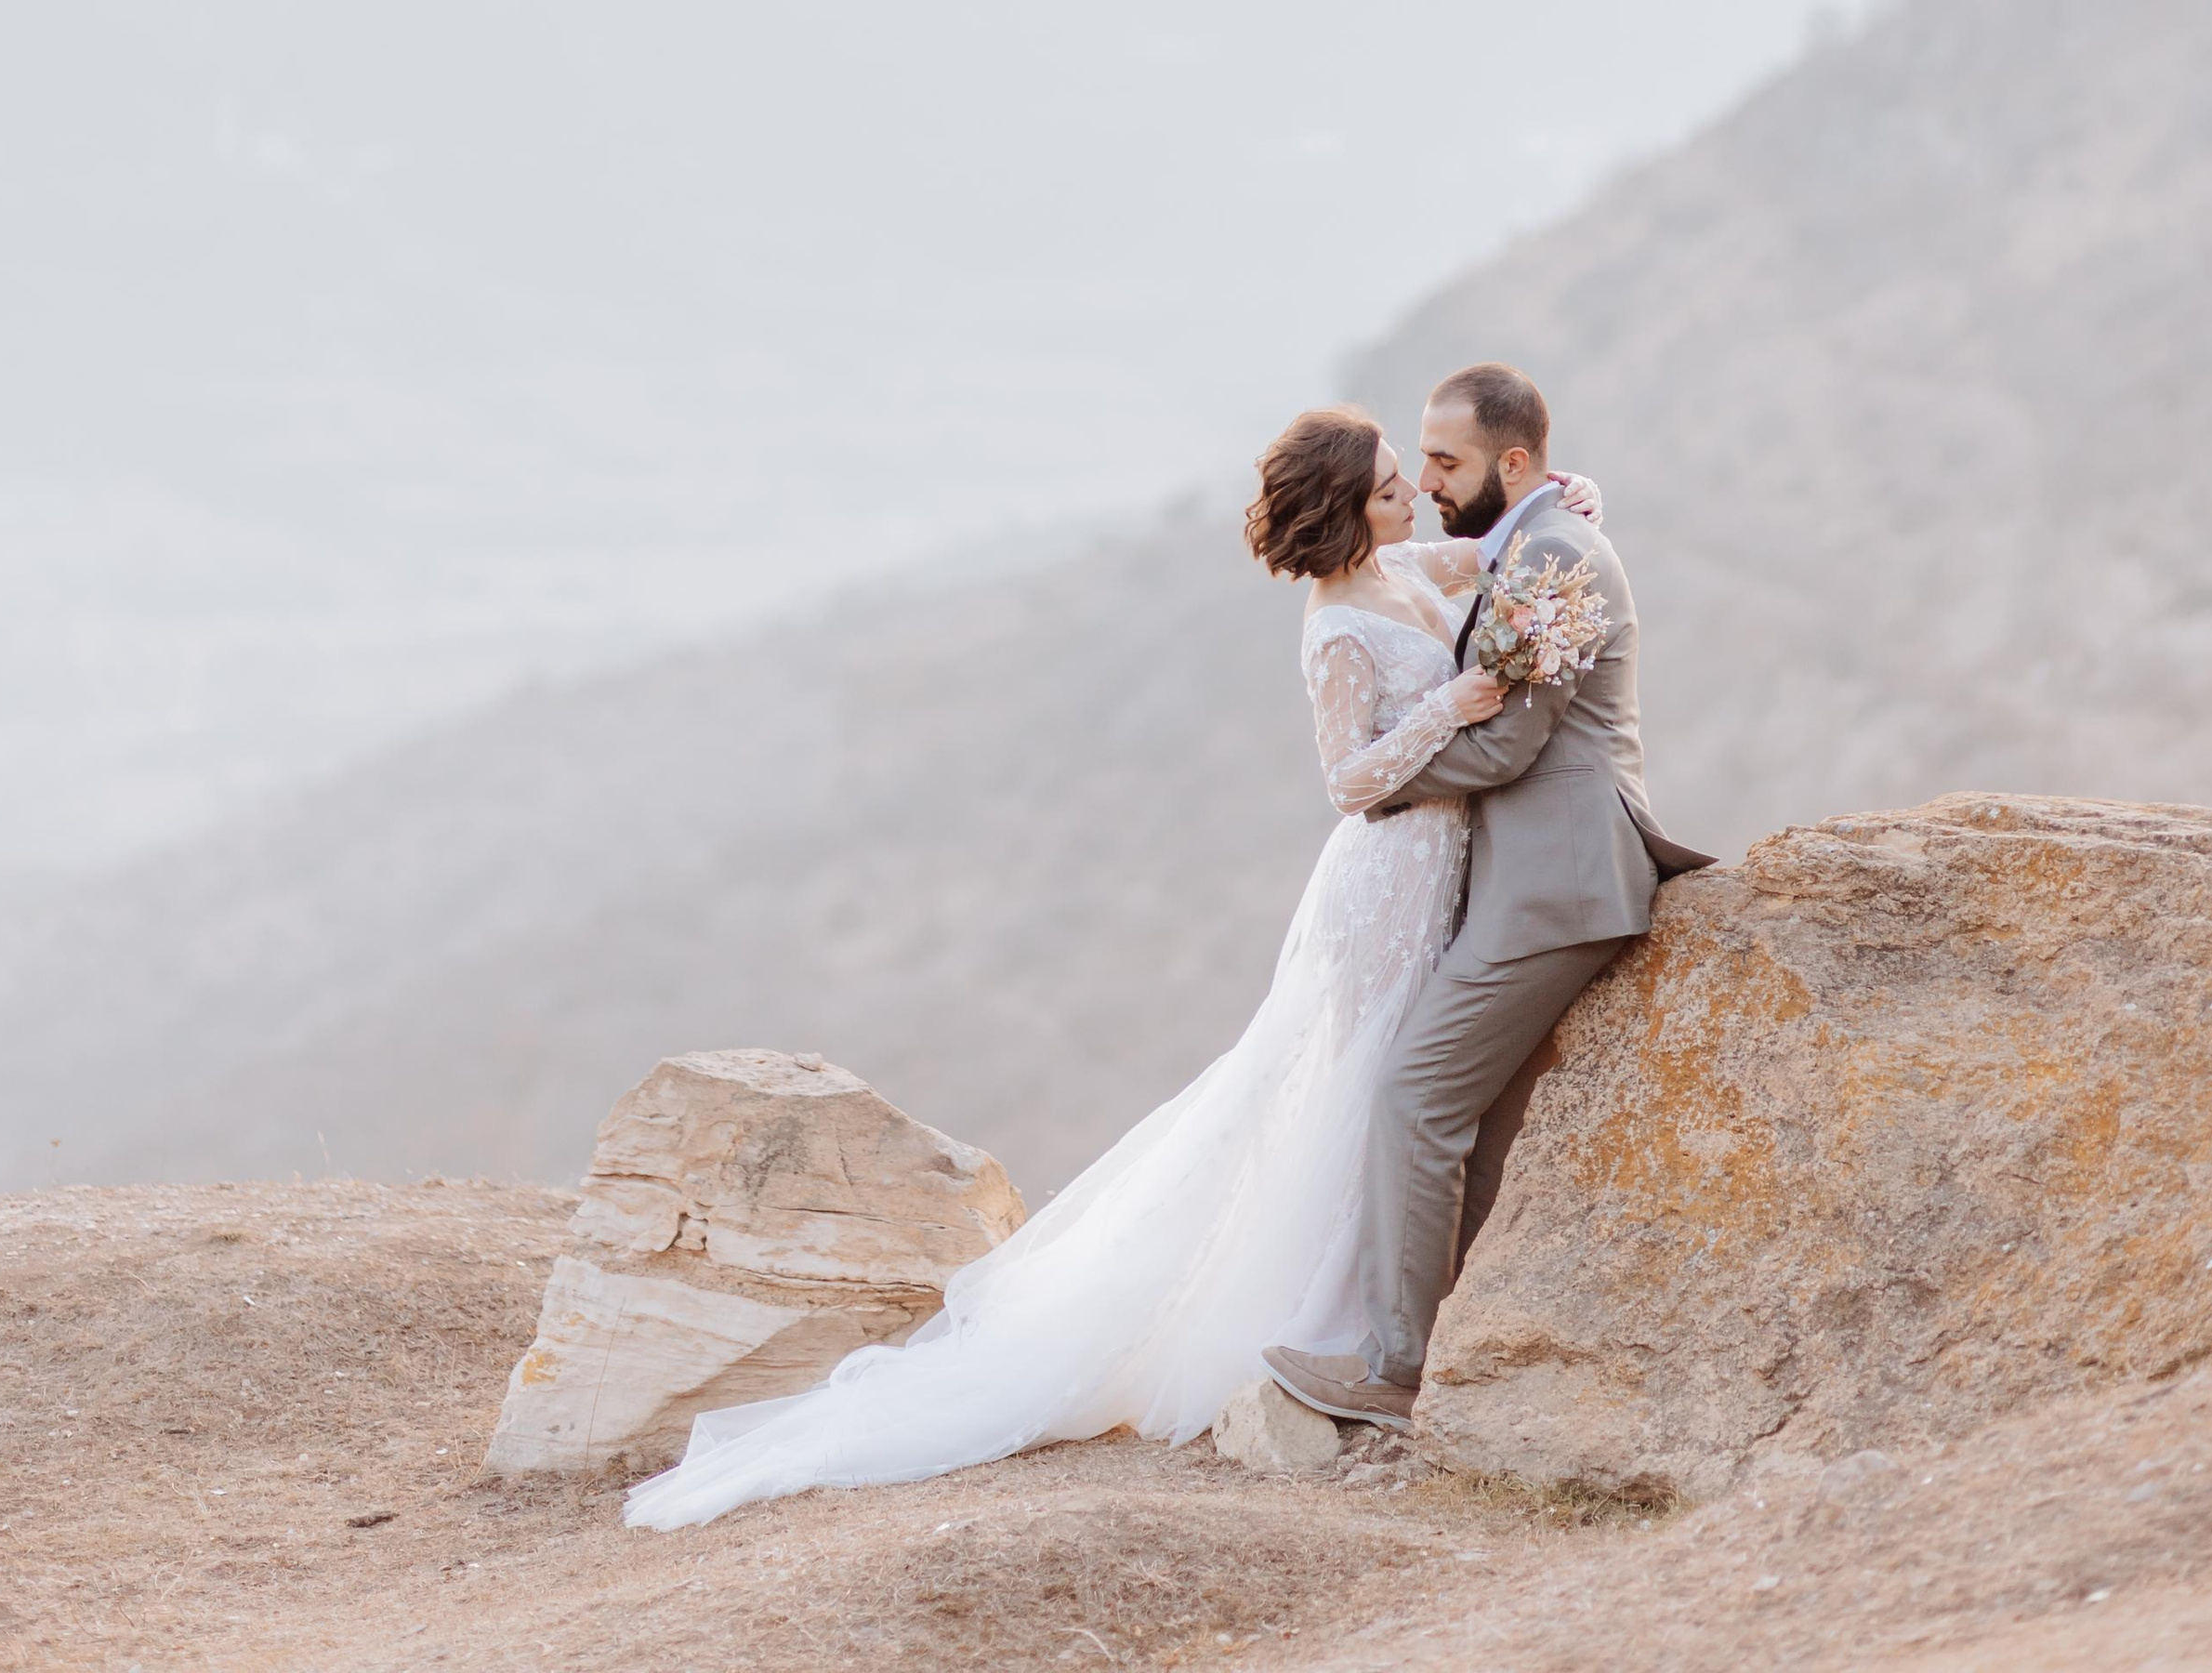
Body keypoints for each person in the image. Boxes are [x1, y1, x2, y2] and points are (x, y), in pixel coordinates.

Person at [625, 402, 1578, 1529]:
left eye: (1402, 478)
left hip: (1441, 871)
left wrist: (1566, 513)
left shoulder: (1403, 561)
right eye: (1385, 485)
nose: (1409, 492)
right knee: (1361, 1087)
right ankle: (1345, 1327)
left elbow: (1485, 554)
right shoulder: (1333, 626)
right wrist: (1450, 712)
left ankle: (1378, 1313)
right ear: (1340, 512)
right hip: (1383, 885)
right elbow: (1348, 782)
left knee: (1384, 1086)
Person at [1265, 362, 1710, 1429]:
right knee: (1457, 1110)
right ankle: (1452, 1352)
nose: (1423, 480)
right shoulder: (1526, 540)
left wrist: (1382, 790)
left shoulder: (1554, 556)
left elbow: (1509, 741)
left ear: (1511, 463)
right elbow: (1447, 570)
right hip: (1512, 874)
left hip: (1556, 877)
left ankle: (1394, 1371)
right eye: (1410, 462)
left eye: (1442, 460)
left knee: (1413, 1096)